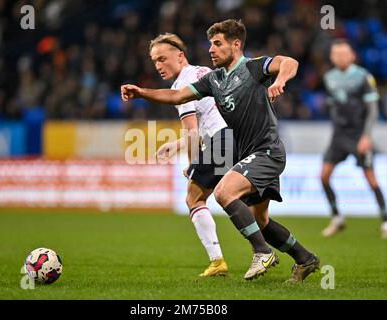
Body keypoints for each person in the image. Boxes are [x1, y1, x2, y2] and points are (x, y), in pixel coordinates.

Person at [122, 19, 319, 282]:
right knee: (260, 221)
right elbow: (177, 96)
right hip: (245, 153)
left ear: (236, 45)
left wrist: (280, 80)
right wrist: (141, 93)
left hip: (267, 152)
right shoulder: (214, 80)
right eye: (210, 44)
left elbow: (289, 62)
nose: (211, 50)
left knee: (224, 192)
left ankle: (261, 252)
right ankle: (305, 258)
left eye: (217, 44)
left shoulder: (253, 67)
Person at [149, 33, 238, 276]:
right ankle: (273, 253)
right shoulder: (202, 71)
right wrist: (177, 145)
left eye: (162, 59)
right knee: (243, 202)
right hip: (238, 135)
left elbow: (192, 132)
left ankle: (217, 262)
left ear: (180, 56)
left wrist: (192, 164)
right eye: (155, 61)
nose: (158, 66)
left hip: (223, 140)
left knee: (194, 198)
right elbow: (207, 120)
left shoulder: (181, 87)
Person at [321, 39, 387, 239]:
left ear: (352, 56)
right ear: (333, 57)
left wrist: (366, 136)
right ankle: (337, 218)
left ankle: (386, 221)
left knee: (371, 178)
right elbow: (333, 104)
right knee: (324, 176)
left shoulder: (363, 77)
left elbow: (372, 109)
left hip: (359, 135)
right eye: (337, 54)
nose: (340, 57)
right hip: (339, 136)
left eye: (344, 53)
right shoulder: (329, 77)